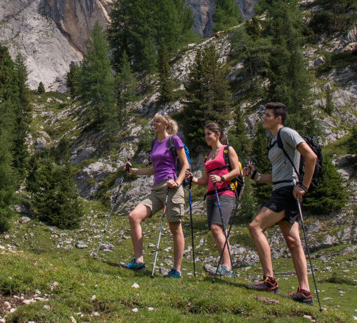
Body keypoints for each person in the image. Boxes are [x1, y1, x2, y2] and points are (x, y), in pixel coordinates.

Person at [243, 102, 317, 304]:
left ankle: (269, 280)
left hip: (286, 192)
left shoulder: (287, 133)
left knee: (255, 226)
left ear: (278, 118)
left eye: (267, 115)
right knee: (293, 242)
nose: (264, 118)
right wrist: (257, 176)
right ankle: (305, 292)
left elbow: (311, 156)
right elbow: (277, 175)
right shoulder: (274, 140)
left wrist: (303, 186)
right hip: (282, 189)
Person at [121, 113, 189, 278]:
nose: (154, 124)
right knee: (134, 216)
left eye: (157, 121)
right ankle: (139, 261)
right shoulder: (154, 143)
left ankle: (176, 270)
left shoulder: (174, 140)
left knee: (175, 227)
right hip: (156, 189)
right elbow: (153, 169)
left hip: (171, 187)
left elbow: (185, 164)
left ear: (166, 124)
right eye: (153, 122)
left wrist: (178, 182)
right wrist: (134, 171)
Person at [191, 121, 242, 277]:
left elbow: (237, 171)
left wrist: (222, 178)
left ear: (218, 135)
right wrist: (192, 179)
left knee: (216, 228)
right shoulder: (209, 155)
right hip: (212, 196)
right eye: (205, 134)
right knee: (220, 230)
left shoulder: (228, 150)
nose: (206, 137)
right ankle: (227, 267)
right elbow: (205, 180)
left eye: (209, 134)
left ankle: (226, 266)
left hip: (226, 193)